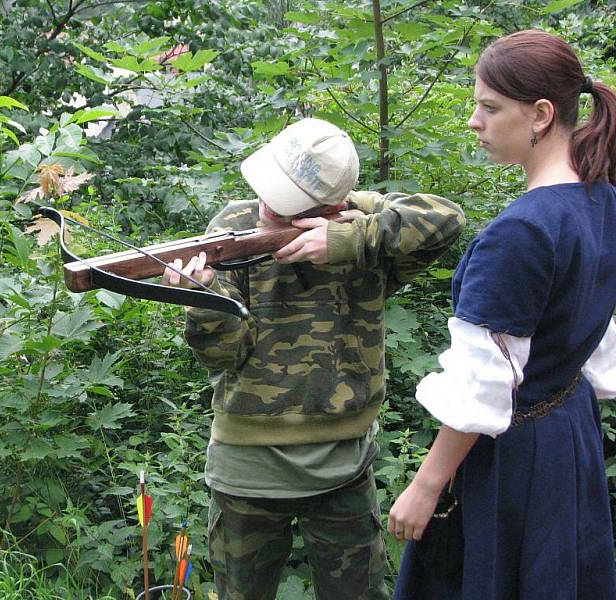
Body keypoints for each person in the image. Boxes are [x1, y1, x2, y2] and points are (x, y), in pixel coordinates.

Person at [162, 117, 465, 599]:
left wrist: (350, 234)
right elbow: (223, 355)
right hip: (247, 471)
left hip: (344, 469)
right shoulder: (233, 227)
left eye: (282, 206)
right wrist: (205, 299)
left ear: (330, 208)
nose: (264, 207)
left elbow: (446, 219)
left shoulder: (362, 233)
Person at [387, 30, 616, 599]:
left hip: (517, 456)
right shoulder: (602, 199)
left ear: (540, 114)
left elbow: (485, 385)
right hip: (569, 430)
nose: (474, 122)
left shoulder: (520, 233)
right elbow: (598, 339)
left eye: (489, 107)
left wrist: (427, 483)